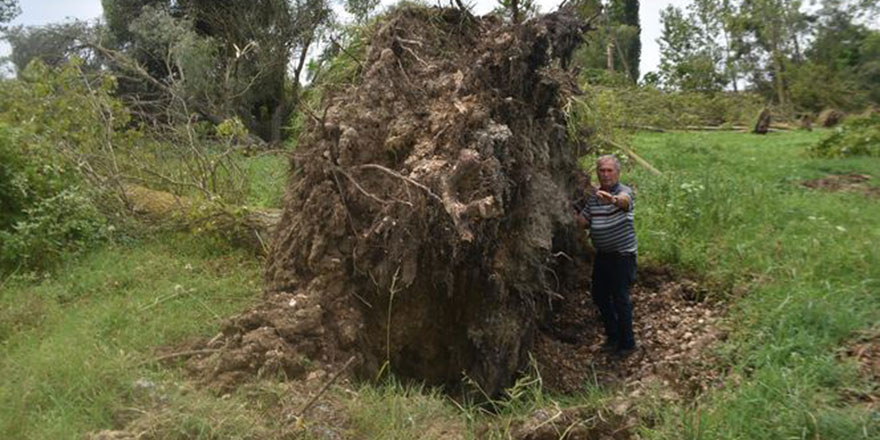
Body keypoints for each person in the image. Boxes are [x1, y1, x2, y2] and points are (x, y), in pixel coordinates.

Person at [573, 155, 637, 356]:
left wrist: (614, 200)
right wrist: (565, 209)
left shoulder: (623, 192)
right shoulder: (594, 198)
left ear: (617, 173)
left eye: (610, 170)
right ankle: (613, 336)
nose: (606, 174)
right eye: (602, 170)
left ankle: (627, 344)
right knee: (600, 296)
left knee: (620, 298)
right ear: (597, 173)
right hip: (603, 255)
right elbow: (583, 221)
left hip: (623, 255)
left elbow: (625, 202)